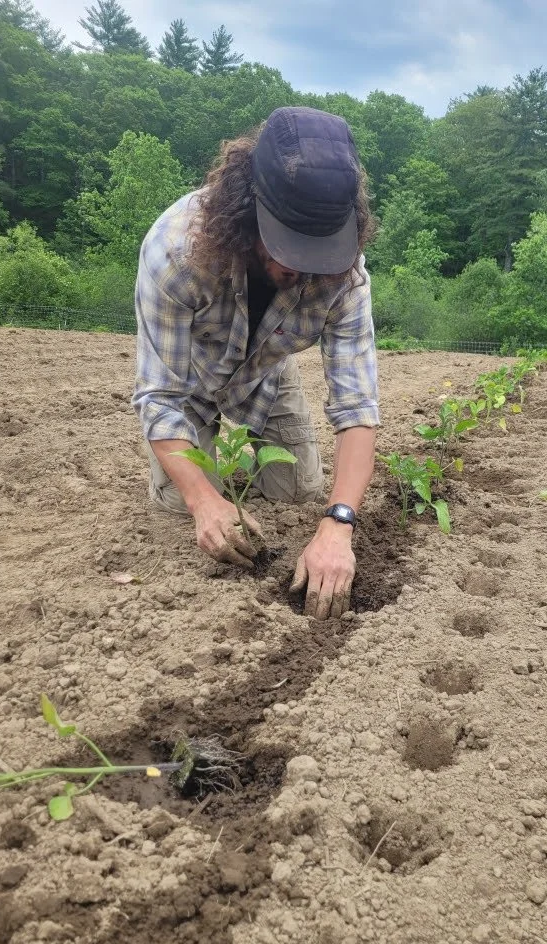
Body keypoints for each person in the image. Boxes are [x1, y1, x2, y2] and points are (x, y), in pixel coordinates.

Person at [133, 107, 380, 621]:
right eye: (290, 244)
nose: (304, 267)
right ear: (247, 211)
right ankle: (215, 477)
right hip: (191, 378)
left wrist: (338, 524)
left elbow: (356, 405)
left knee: (300, 493)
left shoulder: (346, 277)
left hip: (267, 370)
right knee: (183, 506)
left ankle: (236, 469)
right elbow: (159, 396)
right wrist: (204, 499)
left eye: (319, 249)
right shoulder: (175, 253)